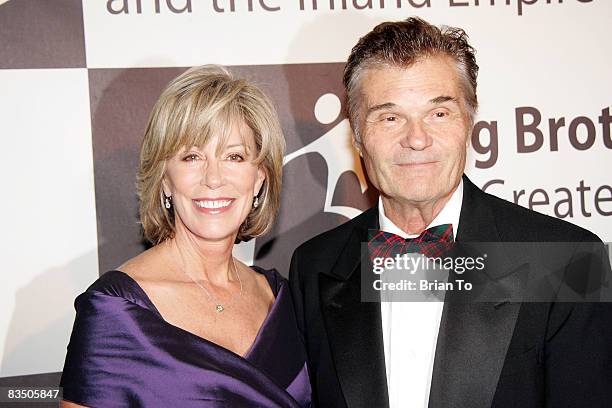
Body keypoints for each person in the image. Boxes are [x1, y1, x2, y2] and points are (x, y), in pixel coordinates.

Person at [289, 17, 612, 408]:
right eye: (390, 117)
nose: (417, 138)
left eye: (438, 114)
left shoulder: (568, 262)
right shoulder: (314, 267)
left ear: (470, 122)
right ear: (357, 134)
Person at [60, 65, 311, 407]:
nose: (213, 177)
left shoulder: (282, 299)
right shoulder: (115, 313)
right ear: (164, 179)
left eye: (234, 156)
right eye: (192, 156)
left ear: (259, 179)